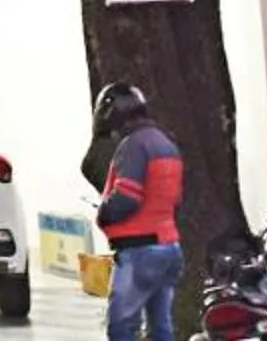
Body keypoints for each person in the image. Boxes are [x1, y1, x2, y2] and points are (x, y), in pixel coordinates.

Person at [92, 82, 185, 341]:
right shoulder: (166, 144)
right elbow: (175, 199)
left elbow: (127, 198)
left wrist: (104, 212)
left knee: (121, 328)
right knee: (160, 327)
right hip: (168, 248)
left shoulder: (133, 146)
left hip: (139, 251)